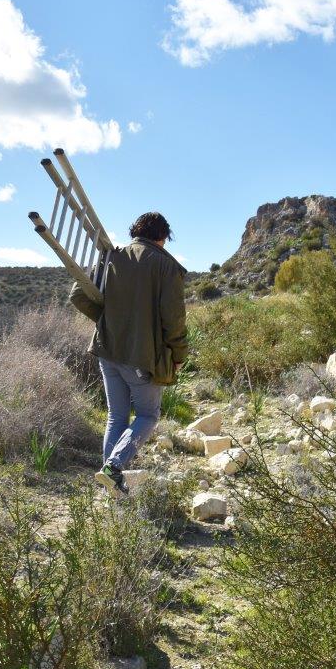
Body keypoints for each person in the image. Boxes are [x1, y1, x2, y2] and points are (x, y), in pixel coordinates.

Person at [70, 212, 188, 497]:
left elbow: (78, 294)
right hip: (141, 356)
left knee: (117, 416)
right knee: (148, 415)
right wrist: (179, 354)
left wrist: (108, 321)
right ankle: (113, 467)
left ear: (136, 231)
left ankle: (109, 484)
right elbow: (174, 321)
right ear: (163, 237)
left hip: (107, 350)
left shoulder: (112, 255)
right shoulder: (166, 266)